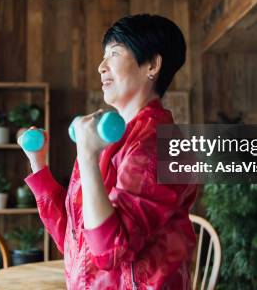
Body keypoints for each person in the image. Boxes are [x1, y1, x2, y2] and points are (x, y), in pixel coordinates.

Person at [20, 14, 197, 289]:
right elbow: (76, 238)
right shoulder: (106, 140)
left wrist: (87, 157)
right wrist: (38, 164)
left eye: (114, 53)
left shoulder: (161, 148)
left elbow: (110, 252)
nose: (100, 66)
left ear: (152, 64)